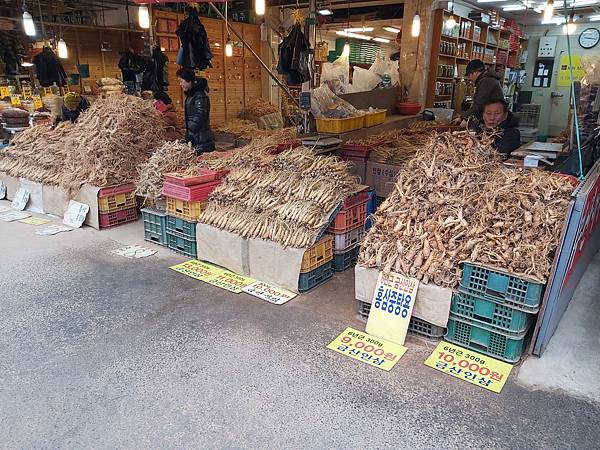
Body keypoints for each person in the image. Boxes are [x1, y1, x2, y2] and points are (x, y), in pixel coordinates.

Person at [176, 68, 215, 154]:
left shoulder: (199, 94)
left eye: (181, 81)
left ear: (188, 80)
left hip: (201, 139)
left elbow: (201, 113)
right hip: (195, 137)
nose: (180, 84)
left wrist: (192, 128)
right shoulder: (191, 94)